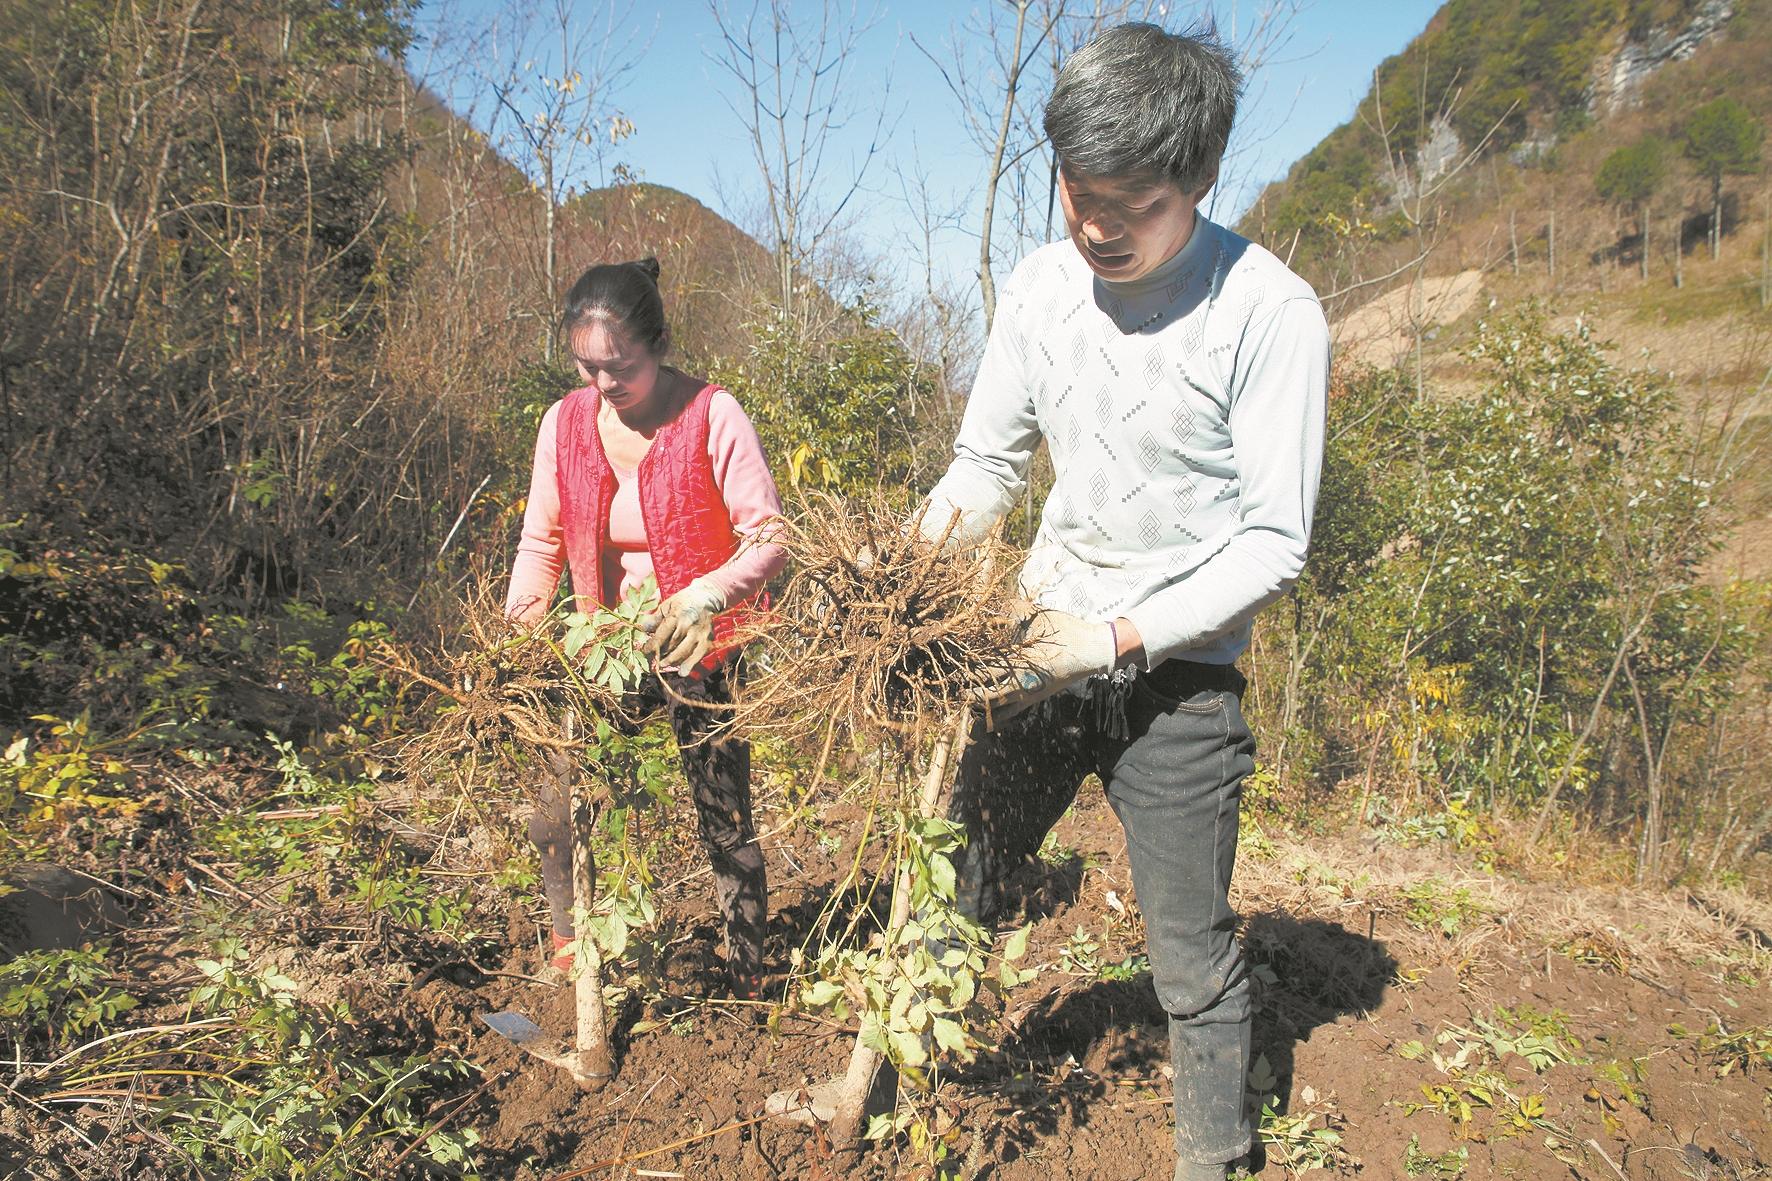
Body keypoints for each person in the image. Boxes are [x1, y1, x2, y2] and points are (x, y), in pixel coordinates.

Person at [920, 25, 1329, 1181]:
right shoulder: (1041, 289)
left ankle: (1215, 1156)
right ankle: (895, 1093)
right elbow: (986, 468)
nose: (1094, 225)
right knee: (954, 886)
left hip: (1177, 680)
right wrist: (899, 574)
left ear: (1197, 180)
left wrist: (1110, 638)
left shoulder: (1266, 312)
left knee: (1189, 960)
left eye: (1129, 203)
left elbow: (1271, 544)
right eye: (1075, 192)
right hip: (1033, 651)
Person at [505, 257, 786, 996]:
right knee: (557, 802)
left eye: (619, 366)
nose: (602, 383)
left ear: (659, 346)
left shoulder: (711, 414)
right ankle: (573, 946)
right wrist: (518, 643)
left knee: (723, 814)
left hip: (701, 645)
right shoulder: (564, 425)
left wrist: (705, 595)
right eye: (586, 366)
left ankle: (744, 972)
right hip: (607, 649)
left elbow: (768, 536)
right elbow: (540, 543)